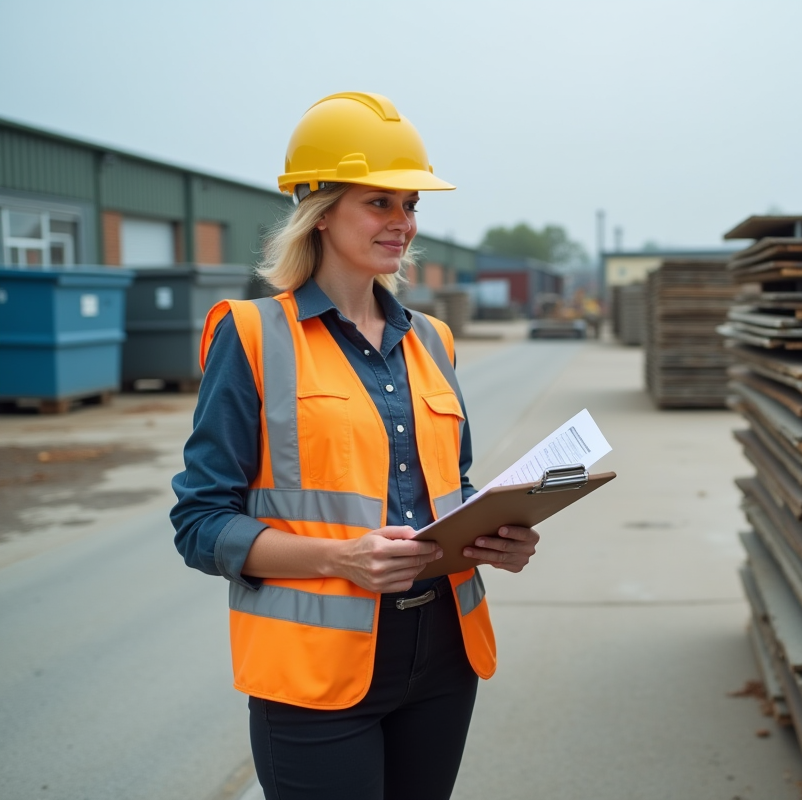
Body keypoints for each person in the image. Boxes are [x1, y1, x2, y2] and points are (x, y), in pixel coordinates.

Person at [171, 91, 540, 800]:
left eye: (411, 206)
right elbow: (200, 525)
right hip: (314, 673)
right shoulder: (251, 336)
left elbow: (450, 489)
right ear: (320, 206)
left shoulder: (433, 339)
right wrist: (340, 558)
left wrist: (498, 532)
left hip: (442, 658)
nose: (402, 224)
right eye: (380, 203)